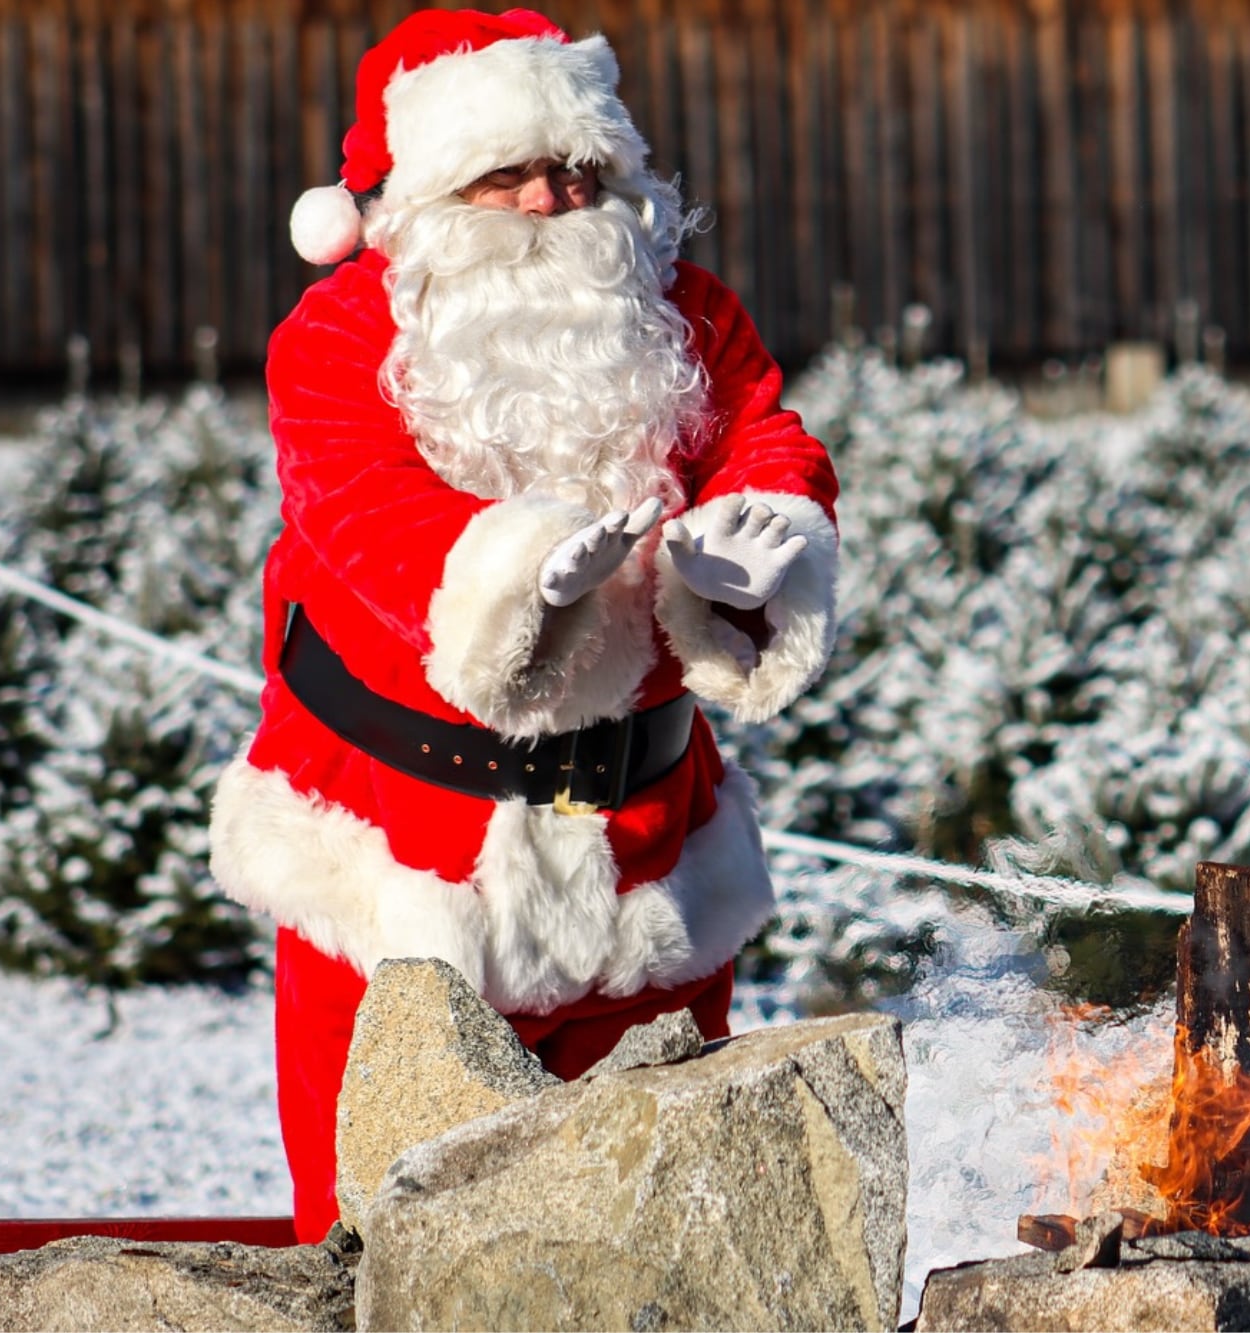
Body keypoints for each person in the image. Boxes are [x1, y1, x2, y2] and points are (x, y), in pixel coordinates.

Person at [208, 6, 839, 1243]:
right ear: (426, 196)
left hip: (649, 859)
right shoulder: (339, 339)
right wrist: (510, 573)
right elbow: (360, 509)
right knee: (373, 1233)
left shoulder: (685, 311)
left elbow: (763, 432)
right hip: (394, 863)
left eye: (579, 169)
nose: (554, 201)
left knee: (667, 1228)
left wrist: (755, 536)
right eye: (510, 175)